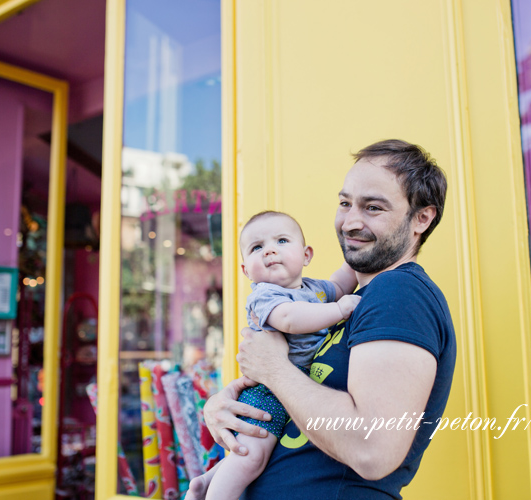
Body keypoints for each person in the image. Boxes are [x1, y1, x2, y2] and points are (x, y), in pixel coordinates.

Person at [192, 139, 456, 499]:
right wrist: (229, 413)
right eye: (345, 203)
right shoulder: (356, 297)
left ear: (421, 218)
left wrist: (273, 369)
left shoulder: (398, 292)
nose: (350, 222)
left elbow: (372, 448)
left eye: (373, 208)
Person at [187, 210, 361, 500]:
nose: (269, 250)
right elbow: (290, 319)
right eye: (257, 247)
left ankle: (208, 481)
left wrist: (357, 257)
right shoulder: (265, 296)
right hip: (267, 393)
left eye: (281, 240)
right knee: (251, 457)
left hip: (293, 388)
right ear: (246, 270)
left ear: (306, 255)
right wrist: (339, 310)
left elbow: (342, 282)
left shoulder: (316, 290)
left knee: (263, 455)